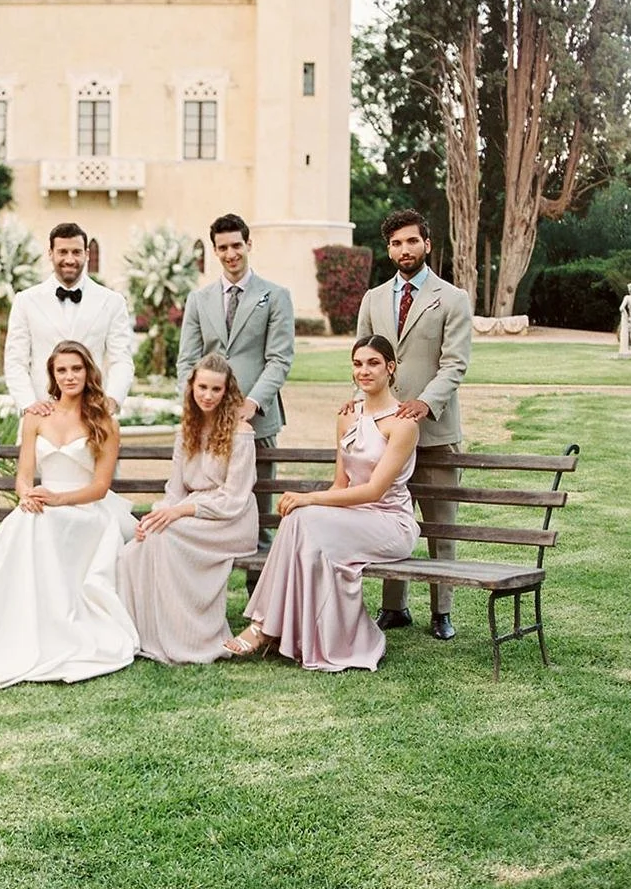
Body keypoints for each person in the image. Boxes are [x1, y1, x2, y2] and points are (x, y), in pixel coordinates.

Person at [0, 341, 138, 688]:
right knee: (29, 522)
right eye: (62, 370)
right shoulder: (37, 416)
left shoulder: (104, 420)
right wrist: (26, 496)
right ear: (52, 375)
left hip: (86, 510)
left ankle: (60, 626)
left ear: (88, 372)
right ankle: (20, 622)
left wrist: (59, 499)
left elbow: (99, 486)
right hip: (43, 505)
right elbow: (24, 475)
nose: (70, 376)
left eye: (76, 369)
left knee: (46, 523)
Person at [225, 335, 420, 672]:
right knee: (298, 519)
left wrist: (310, 498)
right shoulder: (347, 416)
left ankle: (263, 627)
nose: (364, 371)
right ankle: (271, 628)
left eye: (373, 363)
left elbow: (374, 491)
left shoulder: (403, 424)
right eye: (358, 364)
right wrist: (310, 504)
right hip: (354, 519)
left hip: (390, 522)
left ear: (390, 368)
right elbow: (341, 484)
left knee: (303, 515)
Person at [355, 208, 472, 641]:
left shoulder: (452, 298)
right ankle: (394, 607)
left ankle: (442, 612)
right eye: (396, 243)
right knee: (391, 517)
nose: (404, 249)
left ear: (427, 244)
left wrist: (424, 403)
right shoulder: (373, 299)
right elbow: (363, 363)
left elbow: (455, 364)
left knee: (441, 525)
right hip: (385, 436)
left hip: (436, 434)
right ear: (389, 250)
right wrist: (359, 411)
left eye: (411, 241)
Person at [117, 352, 258, 662]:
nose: (208, 396)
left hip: (230, 519)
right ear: (192, 386)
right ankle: (147, 633)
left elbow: (234, 497)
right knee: (136, 548)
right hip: (192, 511)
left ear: (227, 392)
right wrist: (157, 514)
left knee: (167, 536)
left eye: (216, 390)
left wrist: (178, 512)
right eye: (202, 387)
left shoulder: (241, 433)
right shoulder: (187, 430)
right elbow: (175, 490)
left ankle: (190, 636)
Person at [176, 212, 295, 574]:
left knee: (258, 515)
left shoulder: (275, 296)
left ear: (248, 245)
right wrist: (197, 407)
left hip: (256, 423)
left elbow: (279, 358)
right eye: (223, 247)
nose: (231, 254)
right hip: (207, 423)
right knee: (208, 502)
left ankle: (259, 601)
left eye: (236, 245)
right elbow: (187, 361)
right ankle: (204, 587)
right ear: (214, 250)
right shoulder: (199, 300)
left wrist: (251, 403)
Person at [4, 223, 134, 418]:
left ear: (87, 254)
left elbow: (121, 359)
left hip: (93, 414)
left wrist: (113, 399)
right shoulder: (26, 301)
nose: (70, 259)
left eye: (76, 252)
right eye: (62, 252)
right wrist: (28, 403)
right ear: (51, 253)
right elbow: (15, 360)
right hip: (42, 413)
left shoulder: (112, 301)